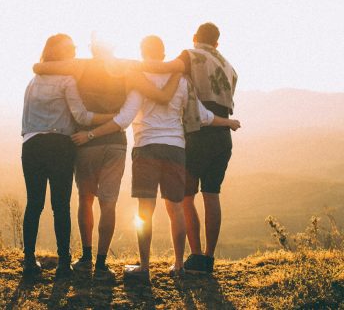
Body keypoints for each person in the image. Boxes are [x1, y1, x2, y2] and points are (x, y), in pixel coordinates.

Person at [72, 35, 240, 281]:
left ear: (142, 52)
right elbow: (202, 116)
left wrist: (90, 134)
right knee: (176, 209)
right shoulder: (182, 80)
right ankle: (179, 265)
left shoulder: (139, 79)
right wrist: (228, 122)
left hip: (146, 147)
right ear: (163, 54)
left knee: (145, 210)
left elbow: (124, 119)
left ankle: (145, 268)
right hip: (175, 149)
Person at [33, 38, 180, 280]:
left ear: (92, 48)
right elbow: (160, 80)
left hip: (86, 142)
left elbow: (41, 68)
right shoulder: (127, 68)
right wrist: (178, 67)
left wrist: (38, 67)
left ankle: (86, 257)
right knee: (108, 203)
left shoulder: (79, 66)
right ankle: (102, 264)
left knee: (85, 199)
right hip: (115, 143)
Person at [142, 23, 238, 274]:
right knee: (212, 194)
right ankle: (209, 257)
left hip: (197, 132)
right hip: (222, 135)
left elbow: (163, 68)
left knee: (186, 196)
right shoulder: (229, 67)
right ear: (217, 43)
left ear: (195, 37)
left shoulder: (190, 55)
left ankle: (194, 256)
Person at [21, 34, 115, 280]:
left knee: (34, 204)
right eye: (71, 48)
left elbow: (26, 119)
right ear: (61, 53)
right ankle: (64, 263)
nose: (74, 51)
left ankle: (29, 261)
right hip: (60, 145)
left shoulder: (33, 81)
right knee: (60, 206)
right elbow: (82, 117)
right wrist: (112, 117)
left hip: (31, 145)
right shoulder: (67, 80)